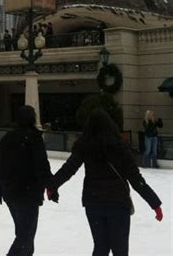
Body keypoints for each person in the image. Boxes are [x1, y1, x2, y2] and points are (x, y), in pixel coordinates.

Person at [47, 109, 163, 256]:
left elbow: (69, 169)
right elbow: (136, 179)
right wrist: (155, 203)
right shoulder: (120, 146)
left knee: (101, 247)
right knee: (120, 250)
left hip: (94, 202)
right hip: (118, 203)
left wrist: (52, 186)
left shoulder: (84, 146)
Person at [0, 105, 54, 256]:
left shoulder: (8, 138)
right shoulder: (34, 138)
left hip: (10, 193)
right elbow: (42, 167)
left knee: (24, 235)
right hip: (28, 194)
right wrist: (52, 187)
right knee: (25, 237)